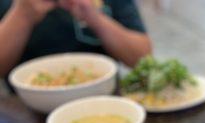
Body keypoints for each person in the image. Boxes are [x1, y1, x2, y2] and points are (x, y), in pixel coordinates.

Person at [0, 0, 152, 77]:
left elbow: (142, 58)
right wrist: (22, 14)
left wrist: (93, 17)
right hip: (24, 111)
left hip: (102, 99)